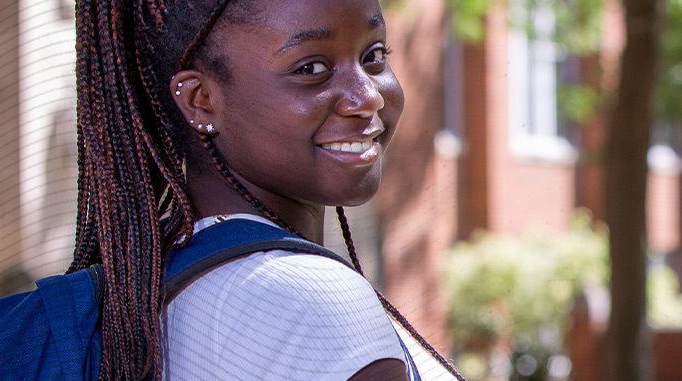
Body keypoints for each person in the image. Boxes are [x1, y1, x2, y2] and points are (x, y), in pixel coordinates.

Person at [70, 0, 453, 378]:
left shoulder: (151, 290)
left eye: (374, 55)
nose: (368, 96)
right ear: (200, 99)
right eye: (312, 68)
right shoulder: (311, 301)